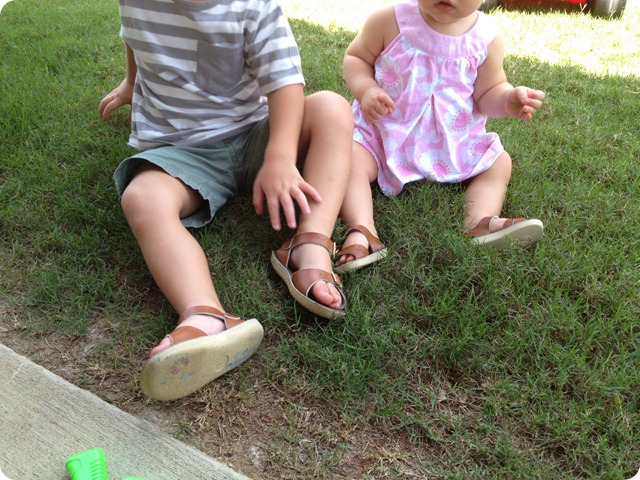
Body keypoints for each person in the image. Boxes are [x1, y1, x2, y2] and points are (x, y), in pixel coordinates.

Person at [99, 0, 352, 401]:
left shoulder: (253, 6)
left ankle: (309, 246)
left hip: (255, 134)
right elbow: (136, 34)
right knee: (143, 197)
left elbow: (285, 81)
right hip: (181, 152)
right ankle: (205, 317)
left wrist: (281, 156)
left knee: (332, 109)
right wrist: (132, 82)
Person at [334, 0, 546, 273]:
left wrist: (506, 101)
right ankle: (362, 229)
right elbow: (357, 58)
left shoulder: (486, 38)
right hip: (385, 134)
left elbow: (488, 92)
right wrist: (366, 89)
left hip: (450, 143)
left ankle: (479, 221)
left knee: (499, 162)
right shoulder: (391, 20)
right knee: (349, 157)